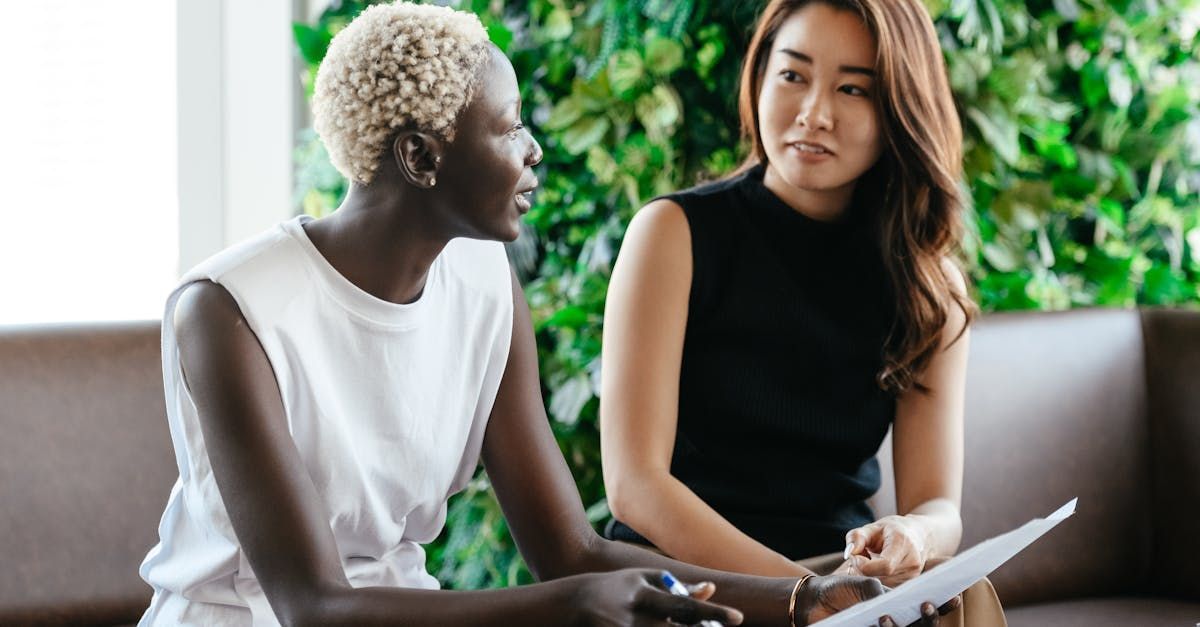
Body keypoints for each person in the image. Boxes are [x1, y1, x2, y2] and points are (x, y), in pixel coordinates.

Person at [137, 3, 954, 625]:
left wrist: (805, 598)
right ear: (421, 157)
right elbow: (315, 606)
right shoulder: (227, 312)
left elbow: (570, 548)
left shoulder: (486, 283)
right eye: (510, 125)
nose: (535, 150)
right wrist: (565, 607)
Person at [599, 0, 1005, 624]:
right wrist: (805, 600)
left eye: (852, 88)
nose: (814, 114)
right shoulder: (673, 235)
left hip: (839, 579)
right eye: (792, 75)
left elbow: (937, 506)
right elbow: (636, 487)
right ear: (759, 78)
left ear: (898, 109)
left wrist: (912, 540)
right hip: (694, 580)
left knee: (965, 598)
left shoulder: (927, 290)